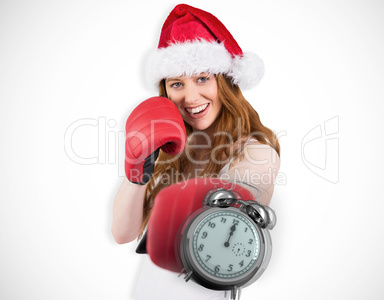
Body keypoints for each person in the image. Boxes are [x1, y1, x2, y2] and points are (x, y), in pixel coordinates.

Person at [112, 4, 281, 300]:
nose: (190, 97)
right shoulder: (170, 154)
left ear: (225, 82)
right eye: (177, 83)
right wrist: (137, 166)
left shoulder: (255, 153)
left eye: (202, 78)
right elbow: (122, 233)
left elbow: (222, 230)